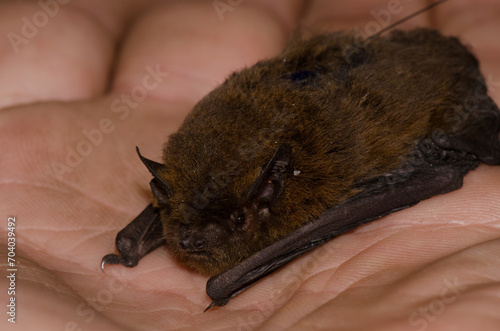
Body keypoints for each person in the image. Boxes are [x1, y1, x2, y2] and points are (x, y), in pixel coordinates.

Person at [1, 0, 499, 330]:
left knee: (422, 154)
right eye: (175, 215)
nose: (190, 240)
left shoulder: (306, 182)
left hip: (431, 97)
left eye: (230, 220)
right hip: (335, 76)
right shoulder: (208, 159)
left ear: (264, 200)